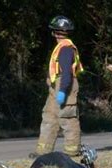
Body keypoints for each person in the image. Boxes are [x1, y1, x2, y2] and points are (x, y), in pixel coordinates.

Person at [29, 16, 84, 158]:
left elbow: (66, 73)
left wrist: (63, 92)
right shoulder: (62, 47)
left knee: (67, 118)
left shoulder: (65, 48)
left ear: (54, 31)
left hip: (65, 85)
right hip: (57, 86)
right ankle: (43, 152)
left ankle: (72, 151)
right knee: (49, 116)